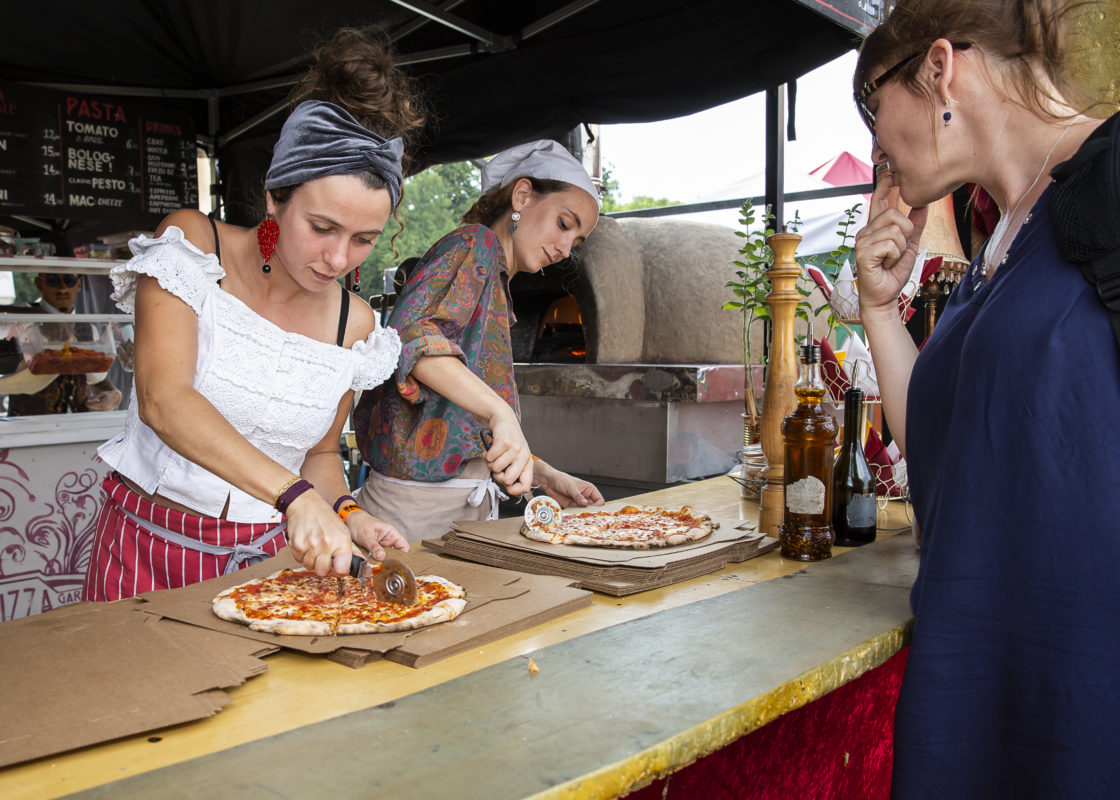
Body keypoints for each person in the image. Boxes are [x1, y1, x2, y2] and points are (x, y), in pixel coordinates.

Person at [851, 1, 1119, 795]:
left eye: (873, 105)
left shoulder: (1110, 181)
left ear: (940, 68)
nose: (874, 145)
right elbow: (944, 455)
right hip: (978, 688)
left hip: (1081, 703)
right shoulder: (998, 239)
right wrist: (877, 309)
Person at [82, 28, 419, 602]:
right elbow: (166, 399)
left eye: (364, 239)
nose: (338, 259)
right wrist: (295, 498)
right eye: (321, 228)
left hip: (267, 568)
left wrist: (345, 510)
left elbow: (317, 454)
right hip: (146, 549)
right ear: (273, 196)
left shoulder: (354, 325)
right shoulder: (191, 246)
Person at [353, 140, 605, 541]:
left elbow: (461, 421)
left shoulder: (496, 282)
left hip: (458, 507)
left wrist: (540, 472)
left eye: (575, 242)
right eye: (563, 223)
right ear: (522, 195)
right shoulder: (475, 244)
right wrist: (501, 411)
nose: (564, 248)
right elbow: (412, 338)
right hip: (415, 514)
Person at [2, 273, 122, 416]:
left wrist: (113, 393)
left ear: (78, 284)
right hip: (29, 427)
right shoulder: (20, 316)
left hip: (76, 426)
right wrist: (39, 315)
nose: (62, 288)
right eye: (53, 280)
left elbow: (95, 379)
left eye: (69, 280)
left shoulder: (88, 329)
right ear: (40, 284)